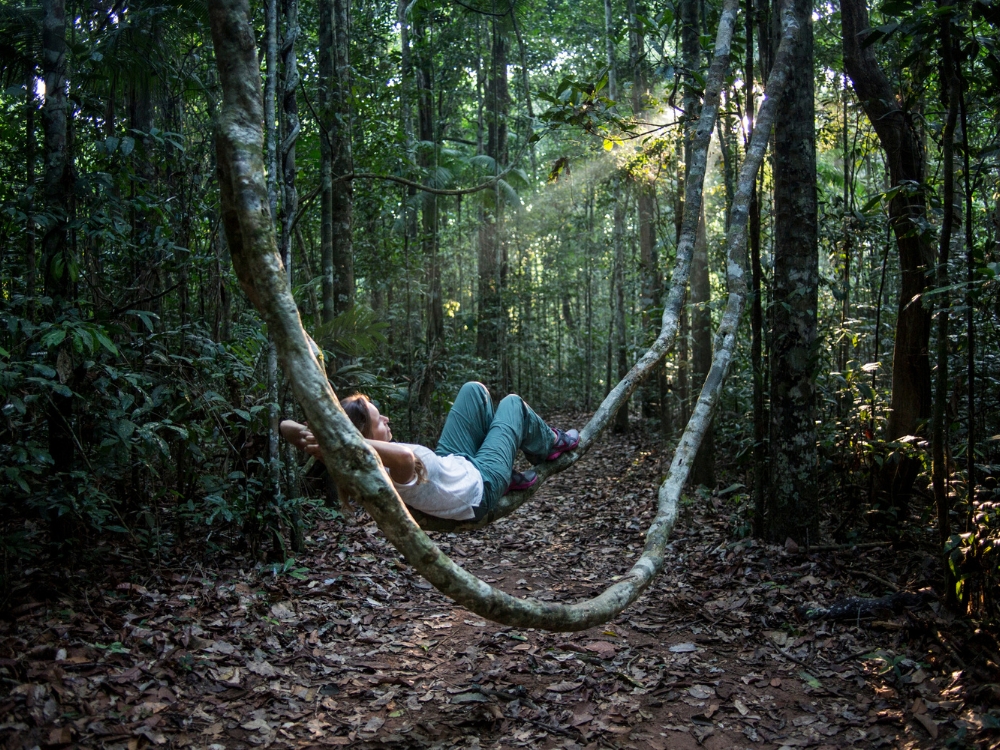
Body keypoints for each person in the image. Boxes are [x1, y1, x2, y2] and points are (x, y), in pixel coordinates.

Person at [280, 381, 579, 521]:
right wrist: (343, 441)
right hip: (480, 486)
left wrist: (325, 434)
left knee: (473, 391)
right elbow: (405, 458)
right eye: (378, 420)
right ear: (364, 437)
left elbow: (285, 427)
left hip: (456, 462)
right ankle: (550, 445)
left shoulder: (356, 455)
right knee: (513, 403)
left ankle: (503, 465)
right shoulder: (385, 469)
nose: (386, 420)